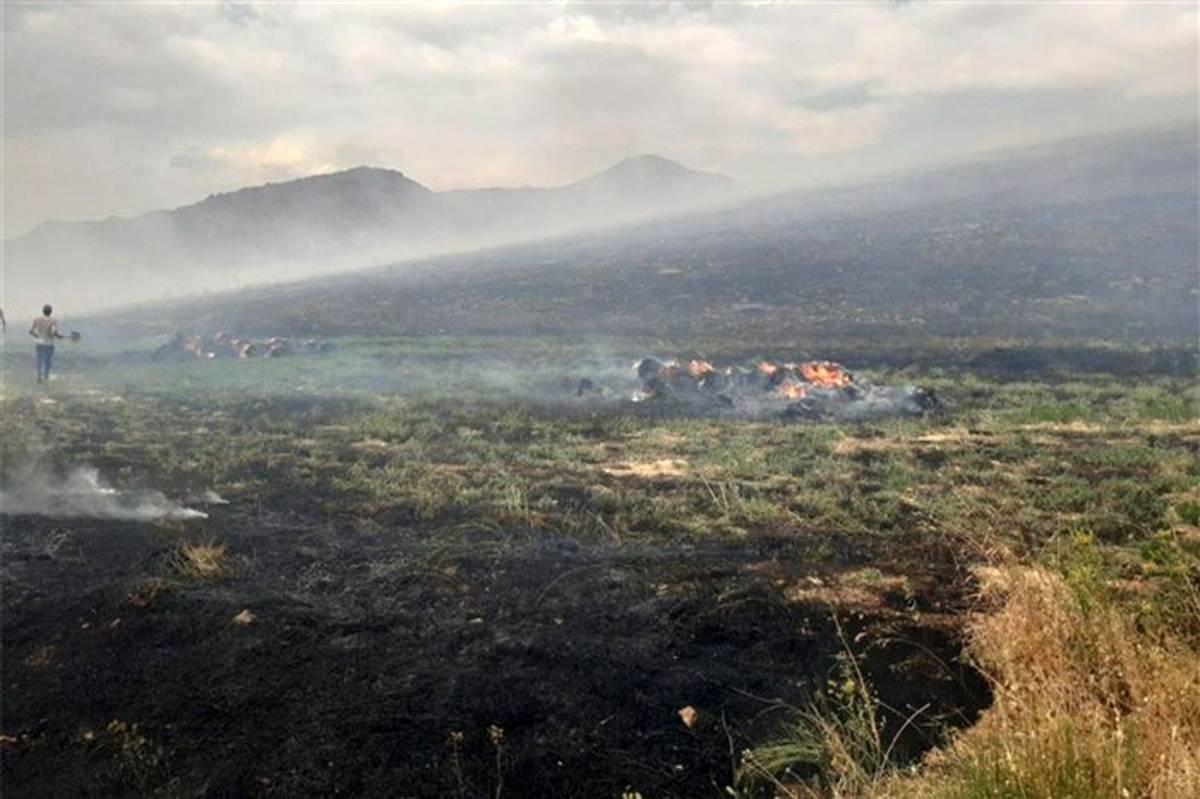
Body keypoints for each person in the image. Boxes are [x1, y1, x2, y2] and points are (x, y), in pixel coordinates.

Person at [29, 304, 64, 382]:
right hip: (49, 344)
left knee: (39, 360)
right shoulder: (53, 321)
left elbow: (31, 331)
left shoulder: (37, 319)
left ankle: (39, 377)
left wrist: (37, 336)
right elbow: (54, 332)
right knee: (47, 361)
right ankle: (46, 377)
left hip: (39, 343)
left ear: (43, 311)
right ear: (50, 312)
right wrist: (59, 336)